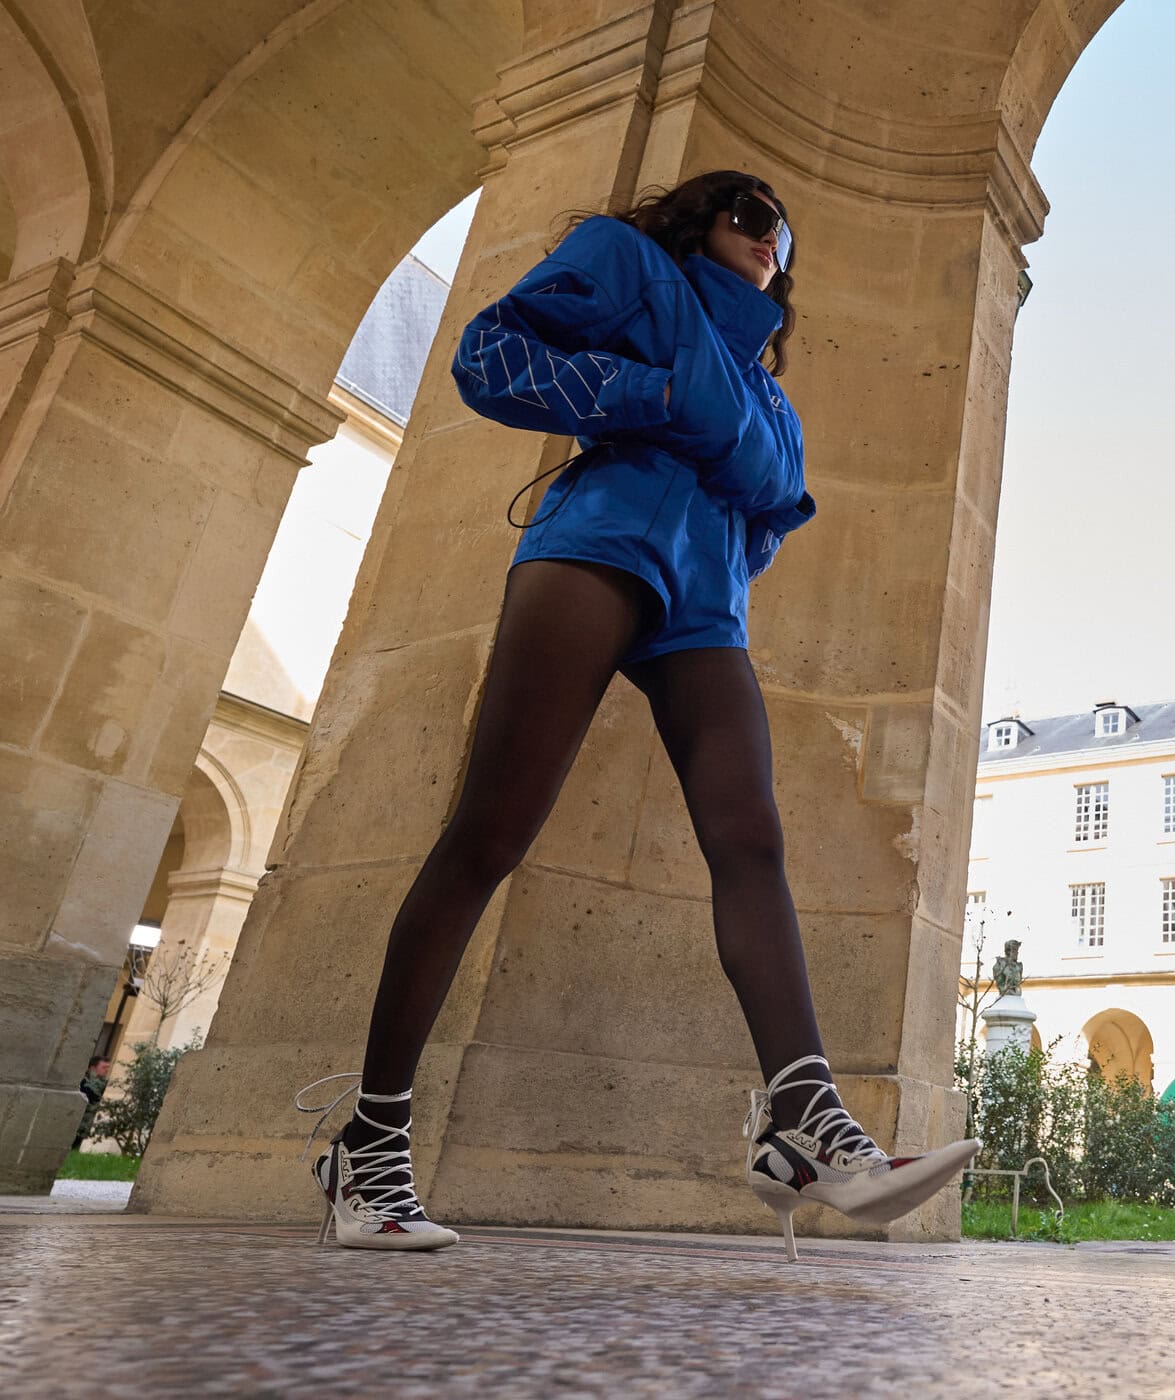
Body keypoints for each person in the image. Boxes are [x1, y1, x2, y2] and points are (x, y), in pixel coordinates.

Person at [291, 171, 979, 1257]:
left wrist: (707, 412)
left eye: (783, 233)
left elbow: (775, 493)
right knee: (489, 833)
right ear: (698, 217)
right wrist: (653, 397)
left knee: (751, 836)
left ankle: (804, 1121)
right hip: (596, 544)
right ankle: (370, 1142)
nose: (769, 241)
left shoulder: (769, 391)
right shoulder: (628, 263)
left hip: (705, 595)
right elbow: (490, 355)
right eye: (751, 216)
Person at [73, 1056, 112, 1149]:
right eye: (104, 1067)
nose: (106, 1070)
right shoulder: (82, 1082)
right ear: (93, 1068)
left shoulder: (104, 1084)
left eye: (108, 1068)